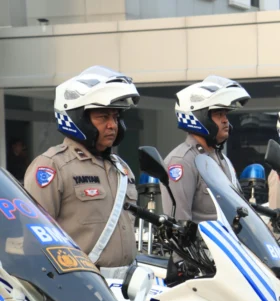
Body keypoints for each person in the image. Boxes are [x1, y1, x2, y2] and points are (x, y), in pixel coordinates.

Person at [24, 66, 139, 271]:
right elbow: (35, 241)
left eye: (115, 117)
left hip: (128, 284)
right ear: (79, 119)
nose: (112, 125)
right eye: (103, 117)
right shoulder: (52, 166)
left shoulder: (121, 168)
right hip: (84, 285)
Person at [161, 76, 250, 223]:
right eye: (218, 114)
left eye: (225, 114)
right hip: (204, 246)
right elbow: (179, 224)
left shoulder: (222, 159)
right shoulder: (182, 161)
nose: (225, 120)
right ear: (198, 116)